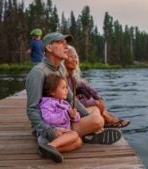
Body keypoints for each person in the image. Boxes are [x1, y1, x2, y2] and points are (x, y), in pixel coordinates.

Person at [25, 32, 122, 162]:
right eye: (61, 43)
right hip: (50, 125)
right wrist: (49, 132)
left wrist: (86, 116)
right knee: (98, 121)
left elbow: (70, 99)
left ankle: (50, 148)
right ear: (49, 48)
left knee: (92, 116)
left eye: (67, 44)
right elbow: (32, 109)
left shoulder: (59, 69)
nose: (66, 47)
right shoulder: (38, 73)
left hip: (62, 116)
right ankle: (50, 143)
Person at [63, 45, 130, 128]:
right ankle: (109, 120)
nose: (74, 59)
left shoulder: (73, 77)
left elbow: (88, 89)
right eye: (70, 57)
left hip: (77, 108)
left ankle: (108, 119)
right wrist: (93, 102)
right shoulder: (62, 78)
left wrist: (98, 98)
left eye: (75, 57)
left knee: (85, 91)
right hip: (68, 112)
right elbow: (71, 101)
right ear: (63, 59)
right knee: (95, 108)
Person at [38, 73, 82, 162]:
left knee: (78, 142)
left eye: (66, 87)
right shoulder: (47, 103)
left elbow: (76, 118)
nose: (66, 90)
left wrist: (74, 115)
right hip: (49, 135)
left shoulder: (64, 103)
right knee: (74, 134)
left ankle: (47, 151)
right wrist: (66, 114)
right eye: (63, 88)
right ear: (52, 91)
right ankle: (50, 146)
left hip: (62, 136)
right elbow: (47, 118)